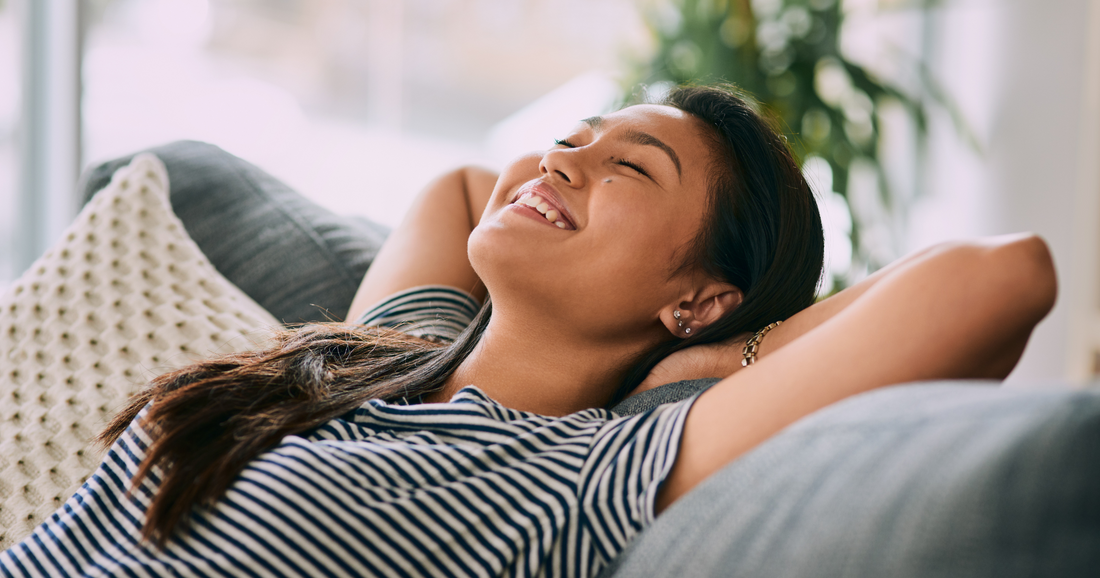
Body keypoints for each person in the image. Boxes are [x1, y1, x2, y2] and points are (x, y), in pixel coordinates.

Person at [0, 85, 1056, 577]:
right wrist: (588, 175)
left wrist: (718, 358)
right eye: (568, 138)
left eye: (628, 166)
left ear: (697, 297)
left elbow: (996, 279)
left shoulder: (586, 473)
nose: (558, 160)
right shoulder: (390, 349)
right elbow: (466, 186)